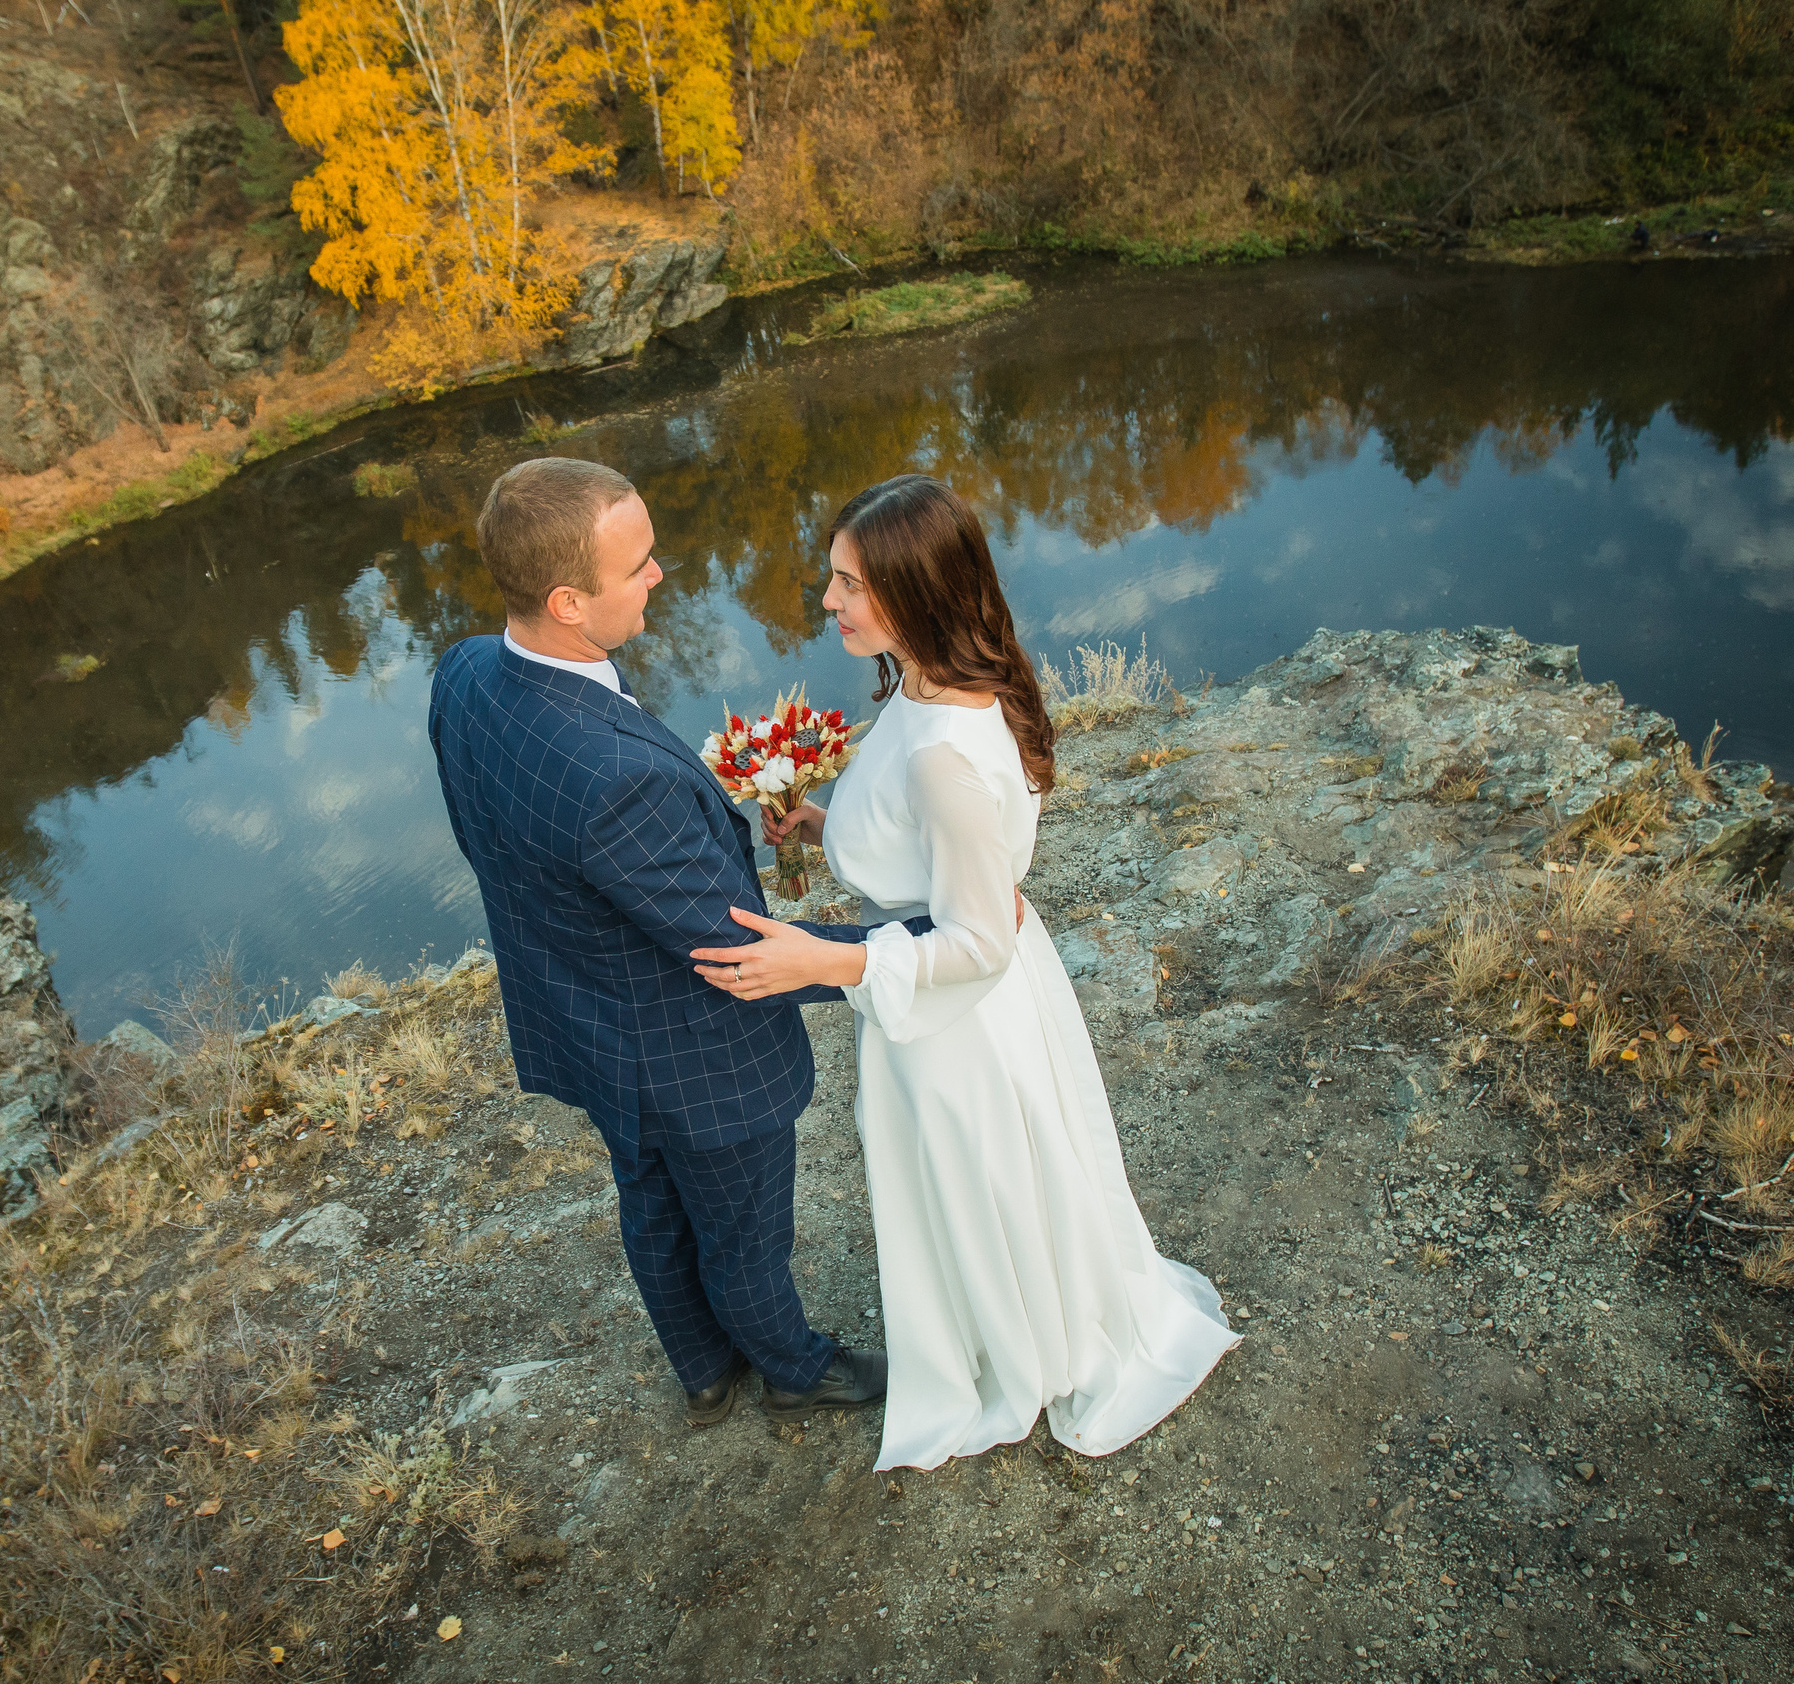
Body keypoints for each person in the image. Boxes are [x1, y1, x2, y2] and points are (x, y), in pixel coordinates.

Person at [692, 473, 1239, 1471]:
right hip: (943, 995)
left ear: (918, 591)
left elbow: (978, 938)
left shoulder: (944, 749)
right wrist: (825, 825)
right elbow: (938, 851)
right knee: (978, 1184)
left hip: (957, 1020)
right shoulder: (925, 684)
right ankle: (1004, 1325)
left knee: (979, 1180)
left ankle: (1024, 1350)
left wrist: (830, 958)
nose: (828, 601)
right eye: (833, 579)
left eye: (850, 584)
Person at [429, 457, 916, 1426]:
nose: (661, 575)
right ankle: (790, 1367)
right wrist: (904, 945)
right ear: (568, 602)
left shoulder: (468, 673)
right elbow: (734, 946)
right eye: (639, 565)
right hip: (691, 1054)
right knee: (740, 1231)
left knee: (648, 1197)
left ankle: (700, 1367)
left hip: (583, 1020)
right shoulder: (612, 776)